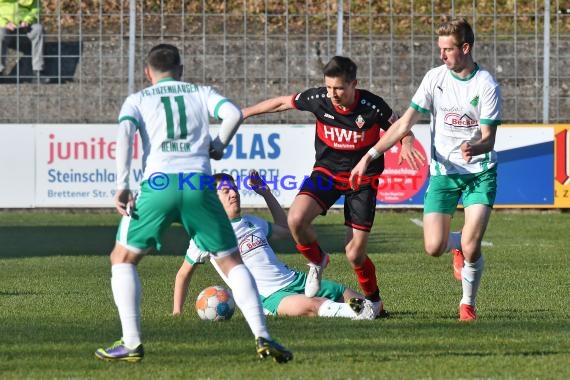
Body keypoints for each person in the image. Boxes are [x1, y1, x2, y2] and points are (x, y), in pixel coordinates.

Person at [94, 43, 292, 364]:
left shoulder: (138, 99)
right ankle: (263, 336)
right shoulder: (200, 92)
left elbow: (125, 133)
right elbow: (232, 113)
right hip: (198, 183)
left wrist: (121, 186)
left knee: (123, 258)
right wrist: (218, 146)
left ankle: (131, 342)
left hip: (158, 184)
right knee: (231, 261)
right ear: (181, 70)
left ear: (148, 73)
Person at [241, 56, 422, 318]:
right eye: (328, 87)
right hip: (326, 173)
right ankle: (317, 260)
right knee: (296, 219)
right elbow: (282, 102)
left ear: (353, 84)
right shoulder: (318, 100)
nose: (333, 94)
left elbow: (402, 129)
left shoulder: (373, 106)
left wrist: (406, 142)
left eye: (338, 88)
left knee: (355, 254)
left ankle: (374, 301)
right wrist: (244, 112)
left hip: (363, 181)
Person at [350, 18, 501, 321]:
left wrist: (476, 148)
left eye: (447, 49)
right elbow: (405, 123)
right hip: (443, 174)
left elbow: (489, 139)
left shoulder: (486, 84)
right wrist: (370, 154)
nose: (441, 55)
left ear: (465, 48)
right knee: (434, 247)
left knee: (473, 245)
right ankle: (456, 245)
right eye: (440, 49)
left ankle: (467, 304)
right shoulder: (435, 78)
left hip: (479, 173)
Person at [173, 171, 378, 320]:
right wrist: (177, 312)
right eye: (226, 191)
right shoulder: (205, 236)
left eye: (234, 189)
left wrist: (266, 193)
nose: (234, 194)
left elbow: (284, 229)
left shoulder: (253, 222)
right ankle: (355, 312)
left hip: (296, 279)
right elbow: (183, 273)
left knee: (343, 292)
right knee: (312, 306)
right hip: (269, 296)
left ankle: (371, 309)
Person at [0, 0, 46, 82]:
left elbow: (36, 8)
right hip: (4, 27)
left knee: (38, 29)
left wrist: (27, 20)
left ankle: (38, 71)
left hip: (25, 27)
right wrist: (5, 23)